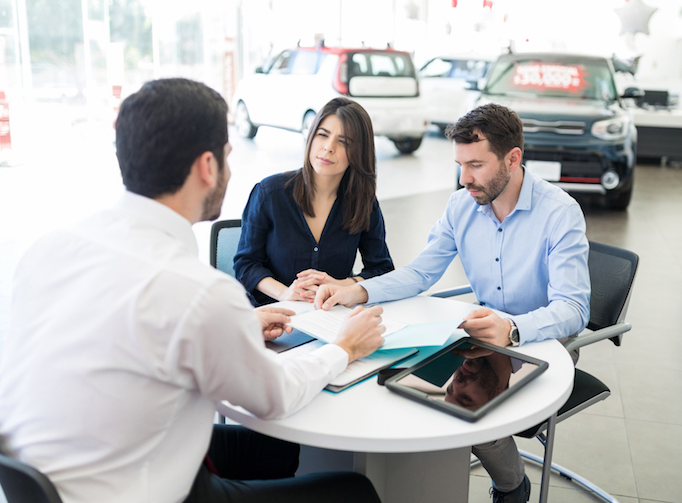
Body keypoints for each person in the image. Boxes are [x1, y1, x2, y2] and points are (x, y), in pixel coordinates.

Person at [0, 78, 387, 503]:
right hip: (144, 491)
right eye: (228, 155)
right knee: (354, 491)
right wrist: (345, 348)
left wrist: (236, 324)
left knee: (274, 448)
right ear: (208, 166)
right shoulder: (196, 291)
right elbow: (274, 397)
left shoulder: (48, 249)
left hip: (61, 479)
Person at [315, 103, 591, 503]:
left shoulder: (560, 214)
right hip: (483, 338)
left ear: (513, 159)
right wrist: (355, 290)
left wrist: (512, 329)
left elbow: (573, 309)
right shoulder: (462, 205)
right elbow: (421, 273)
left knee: (465, 406)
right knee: (405, 380)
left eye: (476, 165)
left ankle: (513, 488)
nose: (465, 179)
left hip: (542, 340)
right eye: (460, 164)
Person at [235, 97, 393, 306]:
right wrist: (285, 294)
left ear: (358, 153)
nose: (328, 147)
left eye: (343, 142)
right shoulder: (269, 194)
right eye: (322, 135)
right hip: (272, 314)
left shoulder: (363, 202)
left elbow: (382, 270)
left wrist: (341, 285)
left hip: (331, 315)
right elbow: (246, 264)